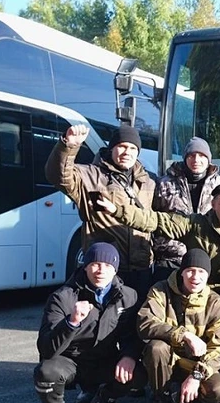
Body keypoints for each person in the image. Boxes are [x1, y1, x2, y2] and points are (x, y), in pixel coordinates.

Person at [34, 243, 147, 403]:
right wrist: (72, 322)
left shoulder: (128, 296)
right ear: (85, 266)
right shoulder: (62, 297)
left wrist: (128, 355)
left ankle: (105, 398)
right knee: (46, 372)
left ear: (115, 269)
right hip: (69, 361)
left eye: (107, 265)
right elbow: (46, 348)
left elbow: (133, 335)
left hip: (104, 359)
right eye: (95, 264)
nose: (101, 270)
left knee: (139, 374)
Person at [45, 123, 156, 298]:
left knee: (136, 320)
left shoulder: (148, 181)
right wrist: (69, 145)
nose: (127, 152)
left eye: (133, 148)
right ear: (111, 148)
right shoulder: (89, 176)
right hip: (105, 268)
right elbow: (58, 175)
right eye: (122, 146)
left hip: (141, 268)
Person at [99, 182, 220, 298]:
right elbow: (157, 221)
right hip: (199, 295)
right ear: (213, 204)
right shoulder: (195, 224)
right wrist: (118, 211)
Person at [137, 249, 220, 403]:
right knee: (156, 348)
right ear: (182, 272)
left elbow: (217, 347)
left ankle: (185, 398)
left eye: (201, 272)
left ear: (208, 275)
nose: (195, 276)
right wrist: (185, 335)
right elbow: (144, 322)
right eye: (190, 270)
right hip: (167, 360)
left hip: (195, 364)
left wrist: (197, 375)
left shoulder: (215, 303)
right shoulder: (161, 290)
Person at [152, 137, 220, 280]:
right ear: (185, 158)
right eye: (192, 155)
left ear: (209, 159)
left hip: (205, 261)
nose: (196, 160)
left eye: (202, 155)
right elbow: (154, 217)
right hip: (170, 259)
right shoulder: (164, 184)